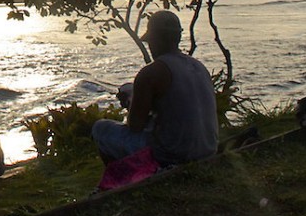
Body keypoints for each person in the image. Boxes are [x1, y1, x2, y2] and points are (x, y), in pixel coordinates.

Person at [92, 10, 218, 167]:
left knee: (100, 128)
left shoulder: (151, 72)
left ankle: (120, 178)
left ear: (155, 40)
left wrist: (130, 102)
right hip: (207, 150)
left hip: (173, 154)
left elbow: (135, 126)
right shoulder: (198, 66)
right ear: (177, 38)